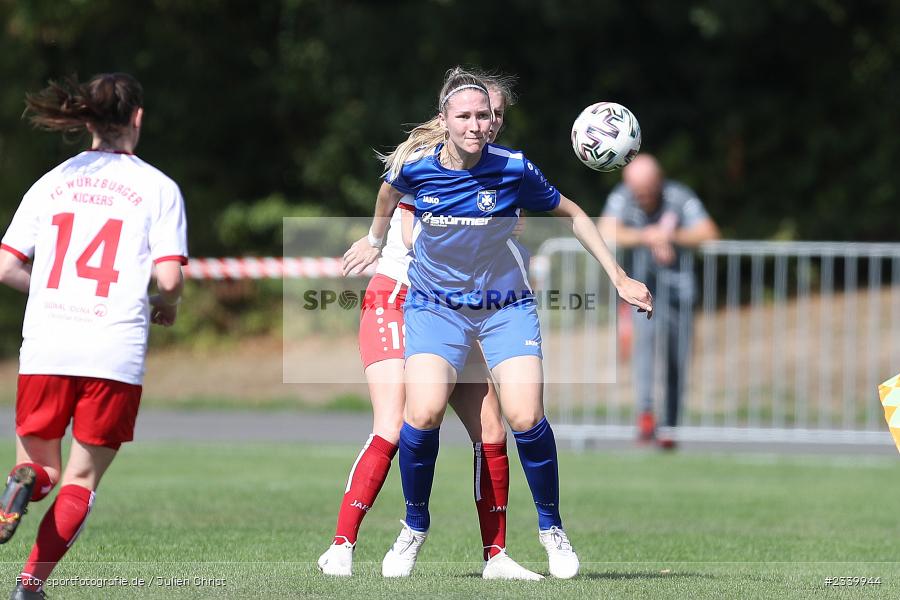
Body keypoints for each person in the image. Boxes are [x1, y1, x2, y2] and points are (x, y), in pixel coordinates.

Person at [343, 67, 653, 579]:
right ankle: (414, 526)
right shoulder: (416, 169)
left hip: (503, 308)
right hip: (436, 308)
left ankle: (552, 529)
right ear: (444, 120)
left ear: (494, 121)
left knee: (525, 415)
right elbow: (385, 193)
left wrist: (619, 277)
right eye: (464, 116)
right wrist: (375, 241)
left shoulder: (514, 168)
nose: (475, 124)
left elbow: (573, 213)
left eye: (484, 116)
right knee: (419, 415)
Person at [318, 75, 542, 581]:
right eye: (485, 112)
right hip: (403, 298)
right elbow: (411, 227)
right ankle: (344, 543)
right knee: (400, 422)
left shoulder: (500, 170)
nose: (491, 123)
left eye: (498, 115)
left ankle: (497, 556)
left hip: (463, 309)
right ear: (452, 115)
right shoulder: (432, 159)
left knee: (491, 427)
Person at [0, 73, 188, 600]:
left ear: (86, 121)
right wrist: (164, 306)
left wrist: (53, 292)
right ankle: (29, 588)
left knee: (40, 468)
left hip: (47, 343)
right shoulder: (157, 187)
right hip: (113, 348)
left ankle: (21, 486)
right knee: (80, 480)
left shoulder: (52, 180)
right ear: (138, 119)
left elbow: (6, 266)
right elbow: (169, 279)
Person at [599, 153, 719, 448]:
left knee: (677, 360)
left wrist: (671, 236)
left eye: (648, 192)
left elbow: (709, 233)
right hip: (641, 294)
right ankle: (645, 416)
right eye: (638, 193)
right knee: (643, 352)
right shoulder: (623, 196)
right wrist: (646, 236)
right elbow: (604, 230)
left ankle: (671, 427)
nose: (643, 199)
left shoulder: (678, 196)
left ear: (659, 183)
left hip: (679, 294)